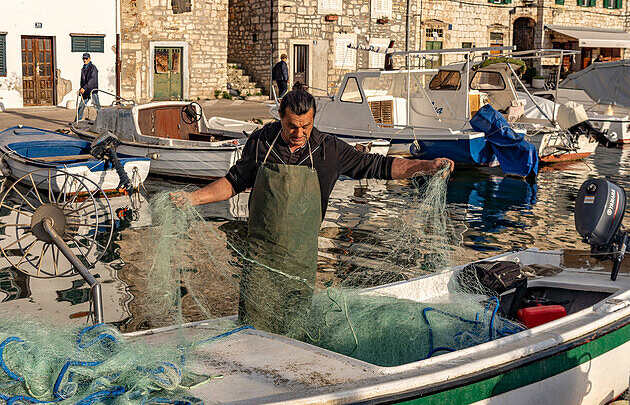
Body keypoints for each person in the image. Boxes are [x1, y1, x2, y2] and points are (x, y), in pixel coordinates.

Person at [171, 87, 452, 337]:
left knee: (292, 328)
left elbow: (379, 166)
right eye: (292, 126)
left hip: (300, 259)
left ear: (314, 120)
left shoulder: (328, 149)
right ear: (280, 116)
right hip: (259, 257)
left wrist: (425, 166)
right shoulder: (261, 143)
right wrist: (193, 198)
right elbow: (233, 182)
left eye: (306, 126)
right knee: (253, 328)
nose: (299, 133)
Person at [77, 53, 99, 120]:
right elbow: (83, 80)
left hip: (92, 90)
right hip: (85, 91)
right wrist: (81, 88)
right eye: (83, 58)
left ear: (89, 58)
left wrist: (84, 87)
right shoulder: (83, 68)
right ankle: (77, 121)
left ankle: (101, 120)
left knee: (97, 106)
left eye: (86, 58)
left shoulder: (93, 68)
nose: (85, 60)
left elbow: (92, 79)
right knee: (81, 106)